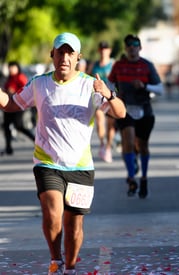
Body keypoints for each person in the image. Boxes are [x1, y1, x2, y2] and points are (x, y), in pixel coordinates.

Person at [0, 32, 126, 275]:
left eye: (70, 53)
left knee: (74, 225)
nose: (65, 58)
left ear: (78, 57)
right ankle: (56, 260)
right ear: (52, 55)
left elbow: (120, 113)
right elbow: (11, 104)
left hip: (80, 166)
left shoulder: (91, 85)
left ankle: (69, 268)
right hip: (47, 162)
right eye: (61, 52)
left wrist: (108, 93)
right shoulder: (39, 84)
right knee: (52, 214)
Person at [108, 34, 164, 198]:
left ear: (140, 48)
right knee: (128, 142)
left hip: (144, 110)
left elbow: (159, 89)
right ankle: (132, 178)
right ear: (126, 49)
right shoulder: (119, 65)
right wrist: (112, 96)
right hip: (125, 110)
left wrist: (144, 86)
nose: (132, 48)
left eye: (135, 45)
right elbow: (110, 84)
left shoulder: (147, 66)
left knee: (142, 146)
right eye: (129, 45)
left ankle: (144, 178)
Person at [87, 41, 116, 163]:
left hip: (111, 96)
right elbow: (87, 78)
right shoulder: (94, 64)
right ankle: (102, 143)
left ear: (109, 50)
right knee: (99, 119)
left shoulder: (114, 64)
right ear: (99, 51)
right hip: (98, 98)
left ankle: (108, 147)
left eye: (106, 48)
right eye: (101, 48)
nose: (103, 51)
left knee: (111, 124)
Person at [2, 61, 35, 155]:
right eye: (10, 67)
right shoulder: (9, 78)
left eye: (13, 67)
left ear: (17, 68)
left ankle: (36, 140)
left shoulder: (20, 77)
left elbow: (26, 90)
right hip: (8, 104)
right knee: (6, 126)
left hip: (18, 105)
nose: (11, 69)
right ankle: (8, 148)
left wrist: (14, 91)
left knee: (19, 125)